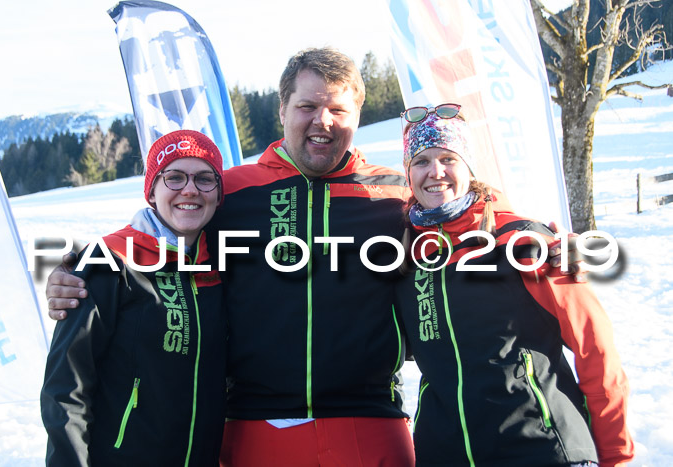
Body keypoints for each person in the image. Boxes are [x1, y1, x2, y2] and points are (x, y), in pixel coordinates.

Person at [44, 48, 585, 466]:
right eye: (307, 106)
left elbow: (476, 212)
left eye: (337, 108)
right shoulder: (230, 192)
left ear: (355, 115)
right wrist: (76, 270)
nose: (321, 119)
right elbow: (160, 229)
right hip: (254, 427)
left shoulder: (394, 196)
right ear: (282, 109)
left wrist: (539, 241)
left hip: (372, 421)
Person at [395, 104, 634, 466]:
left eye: (448, 158)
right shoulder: (407, 258)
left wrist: (616, 453)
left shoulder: (524, 241)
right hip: (444, 453)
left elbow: (595, 348)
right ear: (408, 174)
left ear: (469, 167)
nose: (436, 172)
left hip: (540, 450)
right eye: (421, 161)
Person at [41, 130, 227, 466]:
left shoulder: (219, 267)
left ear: (218, 193)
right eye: (174, 177)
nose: (190, 189)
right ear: (152, 192)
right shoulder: (110, 261)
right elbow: (67, 388)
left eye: (204, 179)